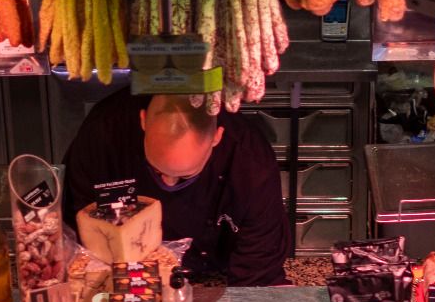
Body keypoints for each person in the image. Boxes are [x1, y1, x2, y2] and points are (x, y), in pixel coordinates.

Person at [62, 90, 291, 286]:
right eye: (157, 170)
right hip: (123, 275)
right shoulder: (103, 136)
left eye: (185, 176)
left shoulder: (250, 161)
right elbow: (85, 224)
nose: (168, 184)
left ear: (217, 137)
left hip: (216, 275)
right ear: (143, 121)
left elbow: (260, 264)